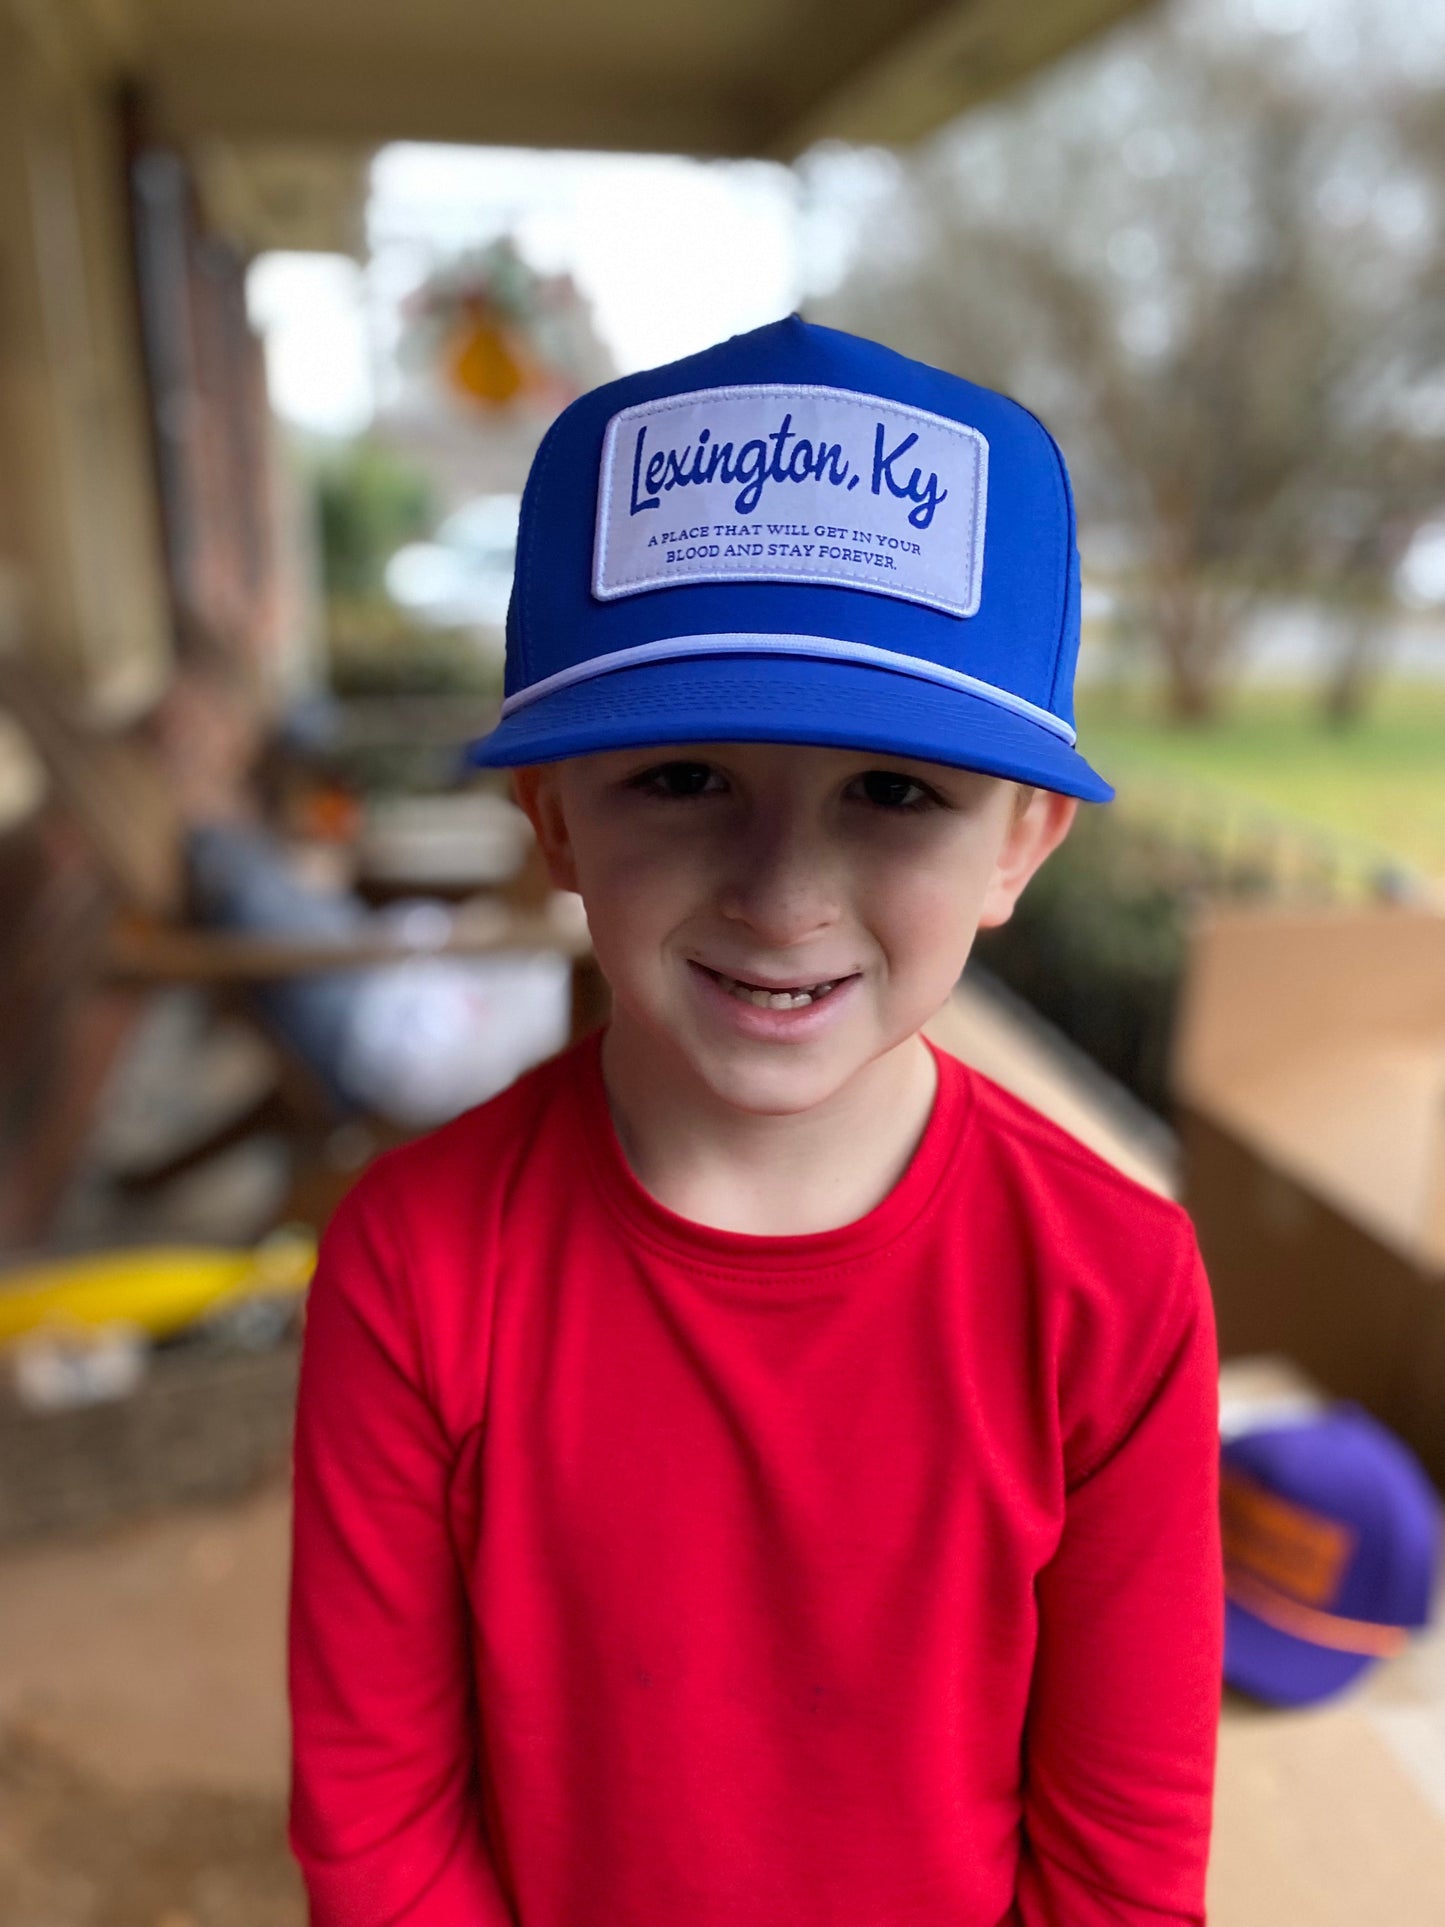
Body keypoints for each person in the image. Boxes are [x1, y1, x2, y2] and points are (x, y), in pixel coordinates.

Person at [287, 316, 1223, 1927]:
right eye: (682, 777)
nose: (783, 896)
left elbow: (1120, 1857)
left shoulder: (1112, 1284)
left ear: (1023, 842)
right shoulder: (414, 1263)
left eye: (894, 791)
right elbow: (380, 1830)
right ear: (551, 814)